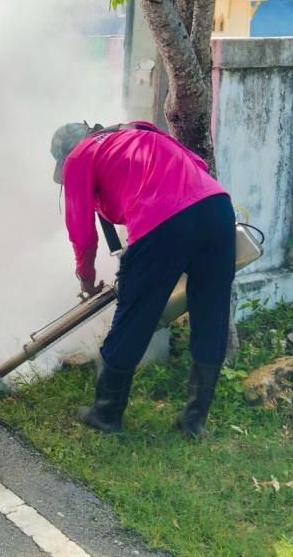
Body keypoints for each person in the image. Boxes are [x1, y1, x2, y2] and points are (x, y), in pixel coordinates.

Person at [51, 120, 234, 439]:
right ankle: (194, 421)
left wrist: (86, 277)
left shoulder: (78, 156)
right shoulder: (140, 132)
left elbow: (81, 231)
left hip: (162, 220)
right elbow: (198, 165)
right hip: (217, 210)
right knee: (211, 315)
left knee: (134, 315)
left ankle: (105, 413)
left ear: (64, 155)